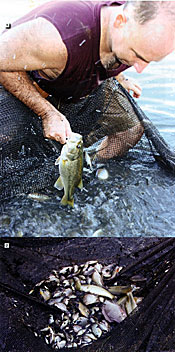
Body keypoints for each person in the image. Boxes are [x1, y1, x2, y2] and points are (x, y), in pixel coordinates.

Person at [0, 0, 174, 161]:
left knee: (130, 130)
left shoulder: (132, 23)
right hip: (31, 82)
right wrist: (47, 112)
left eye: (150, 60)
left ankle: (86, 167)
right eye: (137, 55)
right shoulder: (55, 39)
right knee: (9, 142)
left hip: (84, 77)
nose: (140, 69)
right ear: (119, 22)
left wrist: (121, 76)